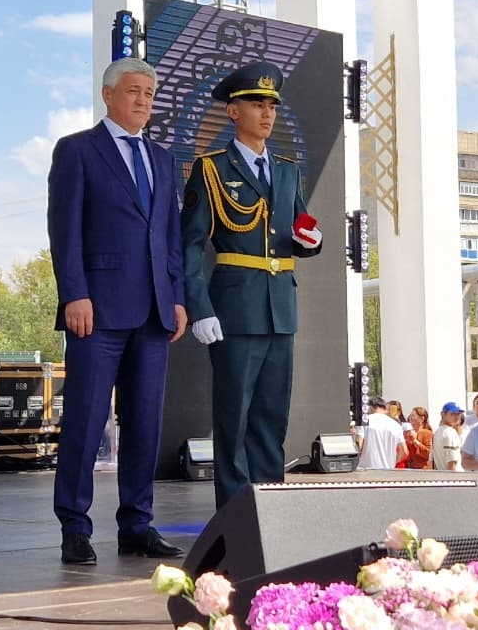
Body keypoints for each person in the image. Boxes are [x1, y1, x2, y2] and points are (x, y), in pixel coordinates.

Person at [46, 57, 187, 565]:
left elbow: (170, 236)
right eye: (133, 91)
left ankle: (137, 525)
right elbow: (64, 228)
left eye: (150, 92)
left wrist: (177, 296)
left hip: (154, 311)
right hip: (97, 309)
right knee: (85, 422)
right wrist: (74, 293)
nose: (144, 100)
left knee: (145, 424)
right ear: (108, 95)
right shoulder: (77, 150)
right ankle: (75, 527)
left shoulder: (162, 159)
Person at [180, 61, 323, 509]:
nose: (266, 113)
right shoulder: (211, 168)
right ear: (233, 111)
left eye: (271, 106)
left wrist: (311, 241)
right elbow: (189, 245)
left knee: (271, 417)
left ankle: (270, 509)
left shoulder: (286, 170)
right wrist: (200, 307)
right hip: (234, 308)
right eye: (256, 104)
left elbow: (296, 229)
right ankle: (237, 514)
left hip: (280, 307)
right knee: (234, 418)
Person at [356, 396, 407, 470]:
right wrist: (392, 463)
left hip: (367, 469)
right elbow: (404, 451)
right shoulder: (396, 425)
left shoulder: (364, 422)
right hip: (388, 470)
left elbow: (359, 445)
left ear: (371, 407)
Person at [430, 402, 464, 471]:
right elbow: (452, 462)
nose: (457, 417)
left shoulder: (437, 432)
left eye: (458, 414)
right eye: (453, 414)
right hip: (455, 476)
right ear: (443, 414)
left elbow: (433, 462)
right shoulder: (450, 432)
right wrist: (452, 477)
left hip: (442, 474)